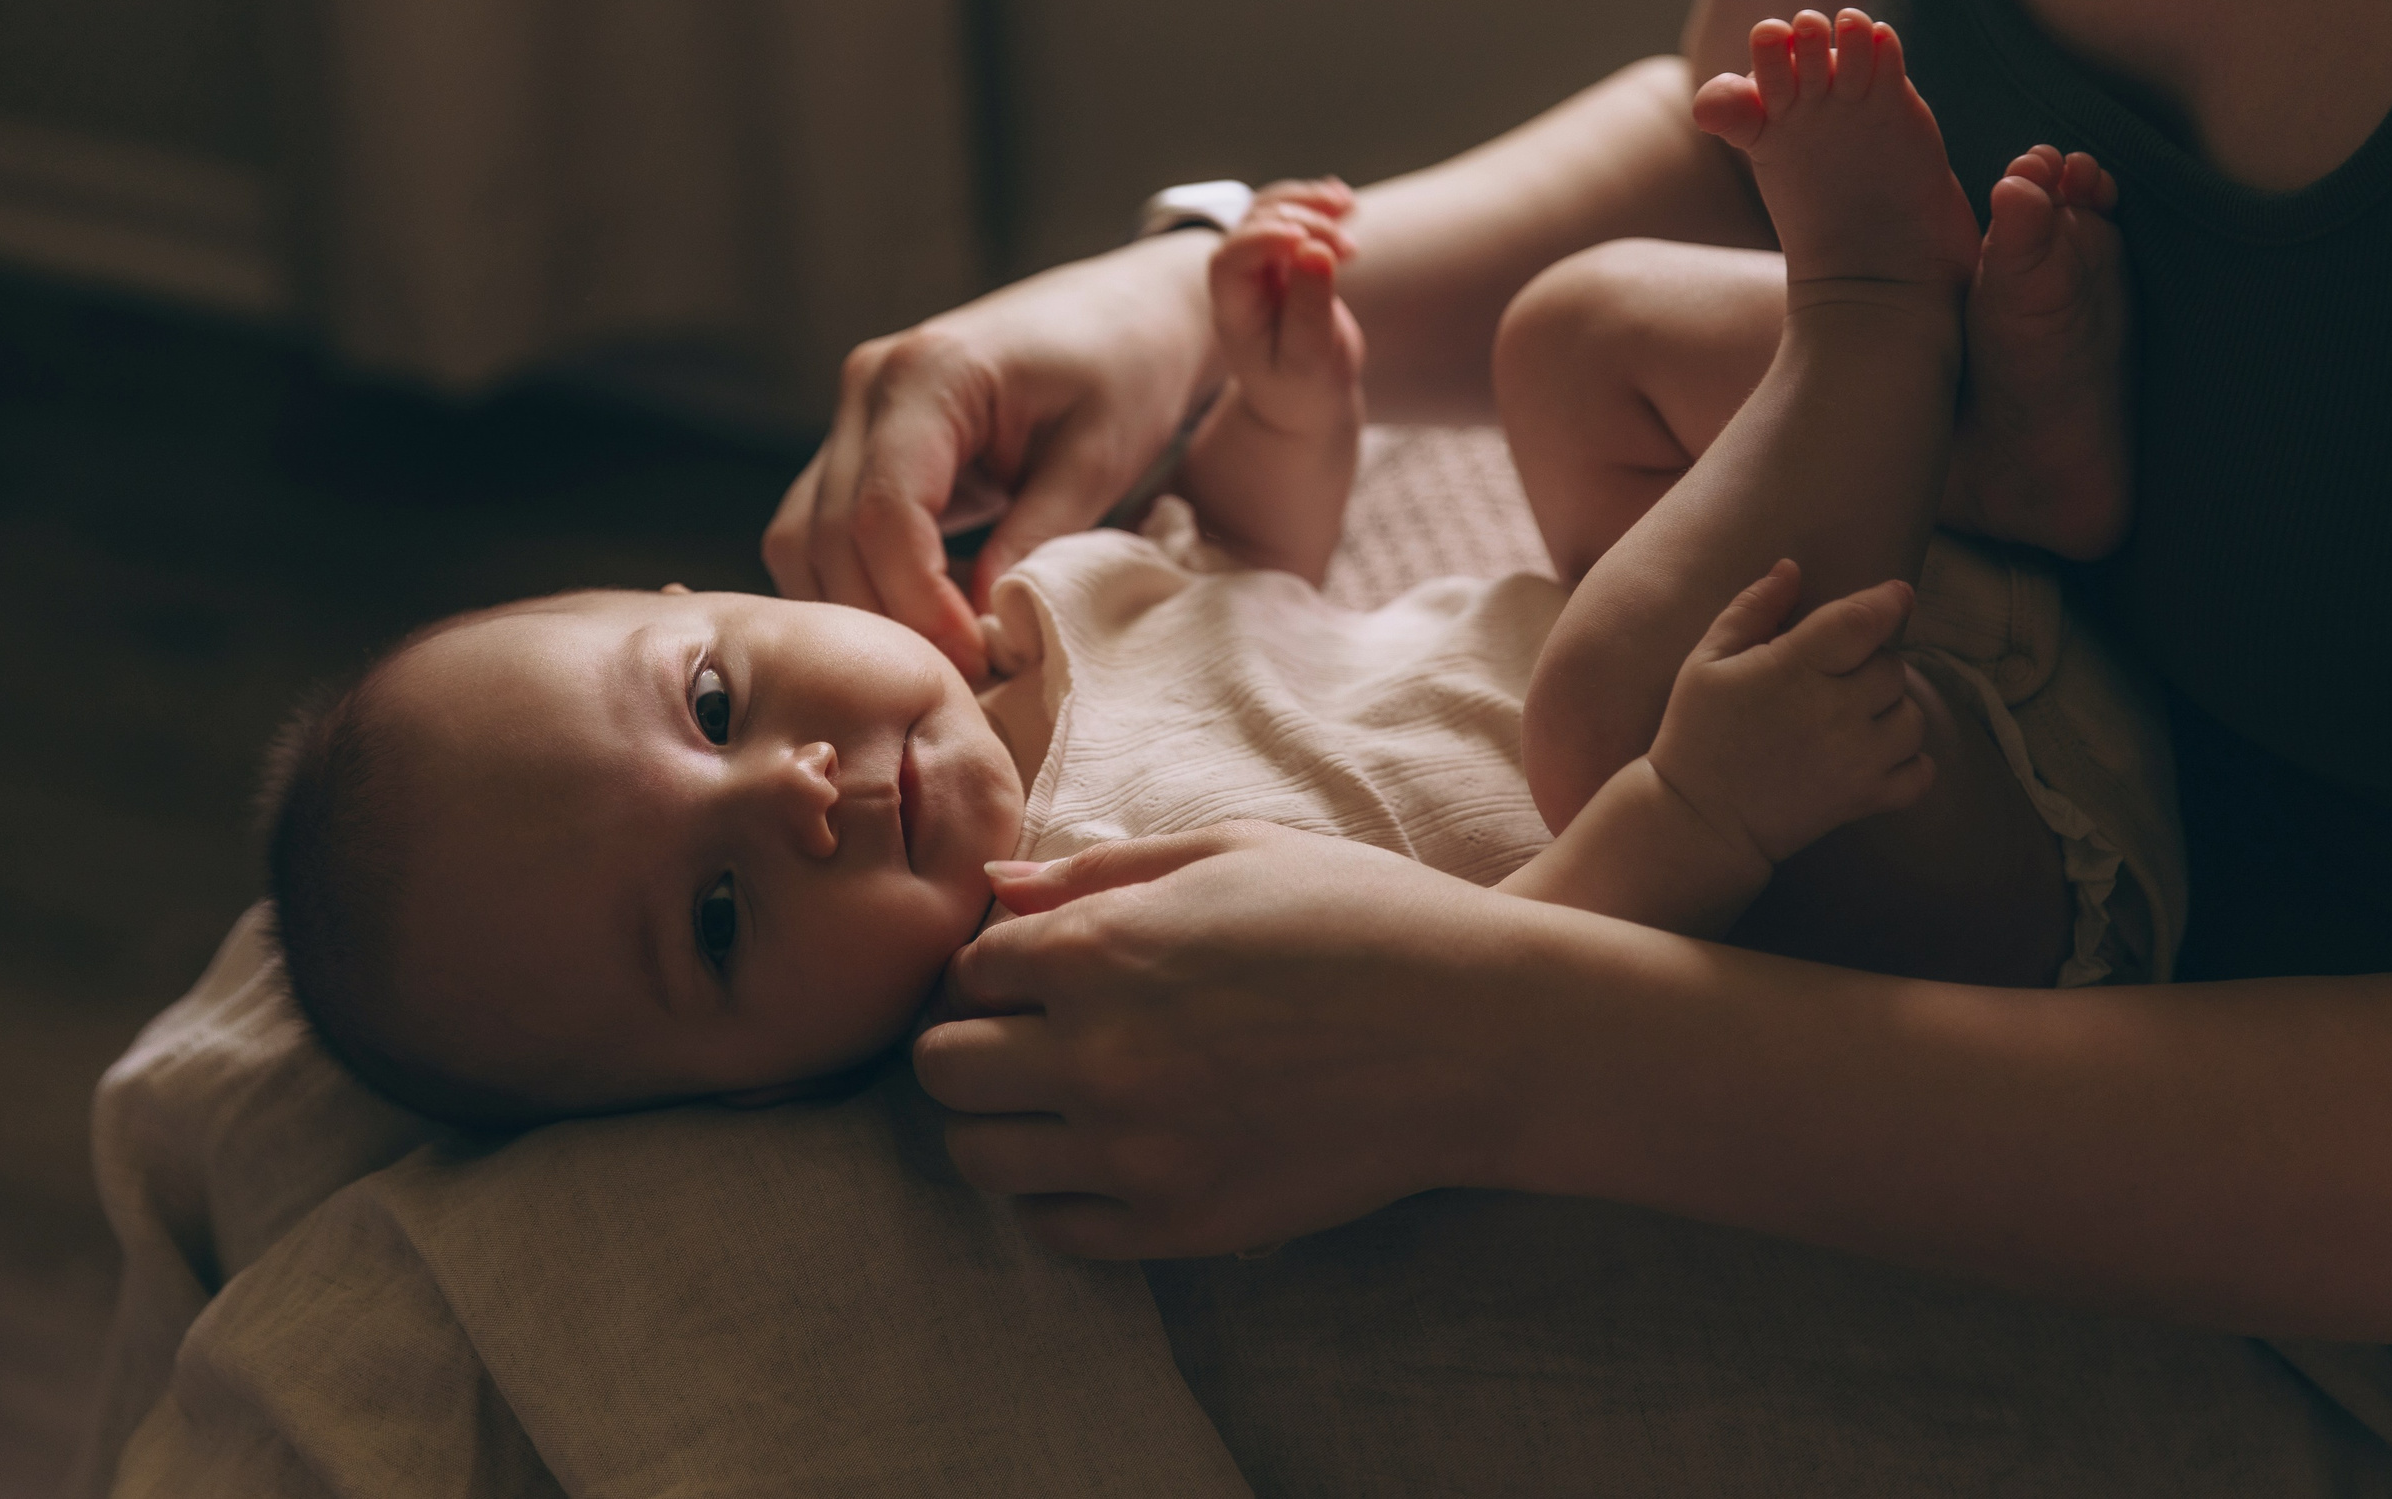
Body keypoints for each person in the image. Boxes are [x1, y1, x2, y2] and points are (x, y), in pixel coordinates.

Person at [773, 0, 2392, 1361]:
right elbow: (1728, 143)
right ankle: (1953, 408)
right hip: (1946, 619)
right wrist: (1185, 295)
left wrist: (1505, 1044)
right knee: (1578, 335)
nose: (777, 790)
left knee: (1606, 721)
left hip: (2304, 1156)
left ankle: (1906, 362)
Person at [269, 139, 2082, 1127]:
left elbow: (1250, 584)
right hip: (1893, 858)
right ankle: (1874, 319)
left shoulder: (1021, 635)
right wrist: (1703, 816)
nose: (799, 794)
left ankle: (2007, 469)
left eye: (718, 706)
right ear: (721, 1102)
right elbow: (1489, 996)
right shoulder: (1083, 975)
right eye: (722, 918)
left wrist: (1284, 406)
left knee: (1570, 333)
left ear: (704, 602)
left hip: (1839, 630)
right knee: (1607, 706)